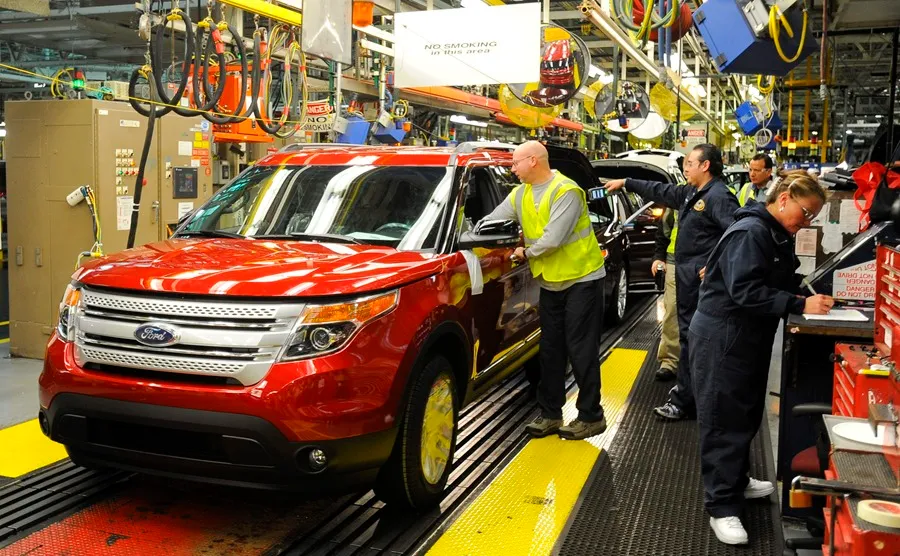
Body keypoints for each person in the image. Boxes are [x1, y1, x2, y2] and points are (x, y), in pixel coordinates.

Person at [691, 170, 833, 545]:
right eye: (805, 213)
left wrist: (805, 292)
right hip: (723, 337)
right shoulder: (751, 232)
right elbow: (746, 290)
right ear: (783, 199)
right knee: (723, 420)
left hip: (745, 337)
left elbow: (775, 278)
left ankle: (736, 480)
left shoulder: (773, 233)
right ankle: (722, 507)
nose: (807, 222)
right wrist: (799, 305)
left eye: (813, 217)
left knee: (745, 412)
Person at [478, 141, 608, 440]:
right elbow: (493, 220)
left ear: (533, 161)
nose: (512, 168)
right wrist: (474, 234)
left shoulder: (566, 191)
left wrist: (524, 253)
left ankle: (591, 416)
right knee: (550, 350)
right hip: (550, 280)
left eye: (516, 163)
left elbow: (553, 239)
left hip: (582, 279)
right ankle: (551, 414)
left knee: (581, 350)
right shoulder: (520, 193)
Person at [605, 144, 739, 421]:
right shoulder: (691, 192)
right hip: (688, 279)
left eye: (690, 163)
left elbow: (737, 234)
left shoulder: (718, 197)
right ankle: (689, 399)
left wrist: (716, 265)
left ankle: (687, 402)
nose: (685, 168)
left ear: (705, 166)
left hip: (702, 284)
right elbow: (660, 190)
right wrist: (627, 182)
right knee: (689, 337)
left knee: (697, 340)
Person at [651, 206, 680, 381]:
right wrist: (659, 256)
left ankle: (698, 362)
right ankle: (669, 361)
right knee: (672, 309)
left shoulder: (720, 196)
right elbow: (664, 228)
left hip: (703, 263)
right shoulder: (677, 196)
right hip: (674, 260)